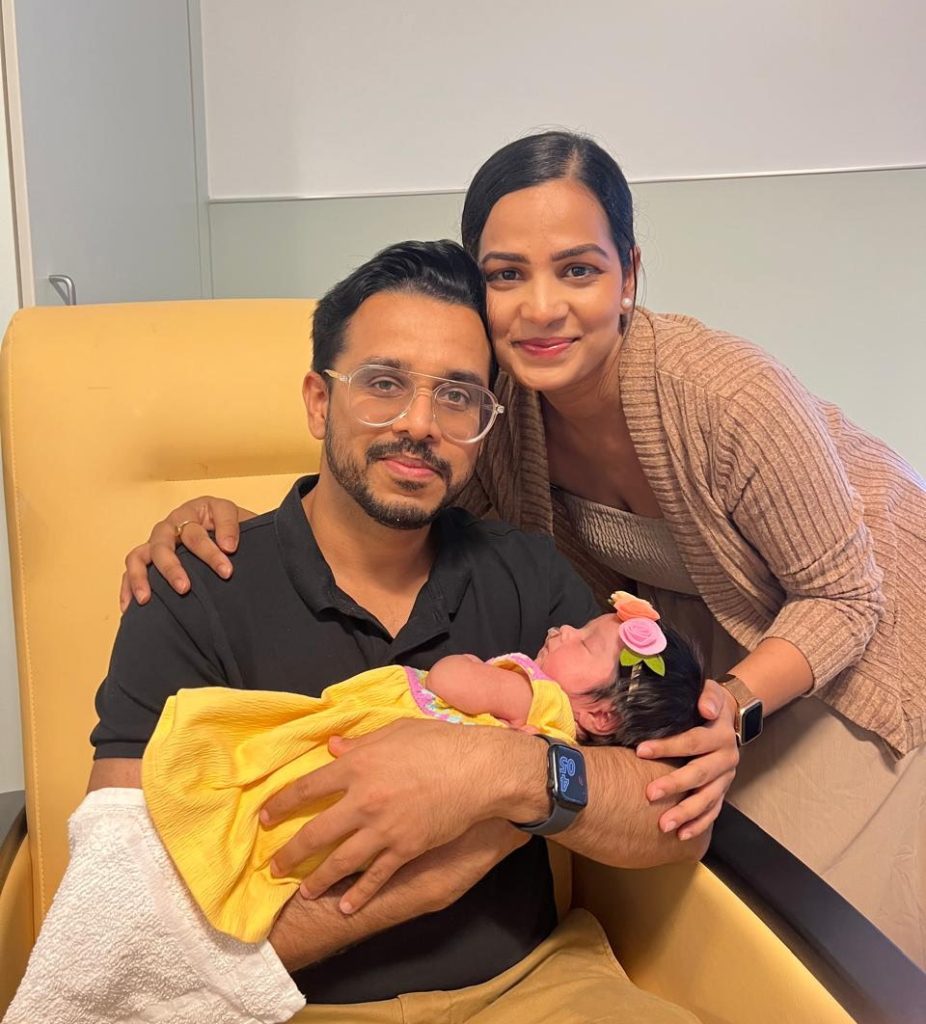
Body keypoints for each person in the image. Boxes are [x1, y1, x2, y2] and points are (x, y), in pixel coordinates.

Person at [128, 131, 926, 966]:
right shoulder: (496, 413)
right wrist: (218, 518)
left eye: (578, 269)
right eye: (507, 275)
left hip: (859, 637)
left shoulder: (724, 395)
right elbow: (378, 475)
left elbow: (846, 595)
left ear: (630, 276)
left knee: (826, 924)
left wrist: (730, 705)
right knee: (719, 864)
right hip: (690, 657)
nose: (541, 307)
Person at [80, 239, 703, 1023]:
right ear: (318, 400)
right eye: (382, 384)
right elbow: (119, 930)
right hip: (281, 1005)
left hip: (537, 989)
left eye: (457, 397)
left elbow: (670, 815)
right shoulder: (189, 588)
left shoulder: (529, 575)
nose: (420, 425)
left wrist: (495, 775)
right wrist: (428, 877)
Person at [142, 598, 704, 944]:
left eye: (583, 641)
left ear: (602, 714)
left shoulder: (540, 696)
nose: (561, 630)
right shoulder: (558, 724)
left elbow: (450, 681)